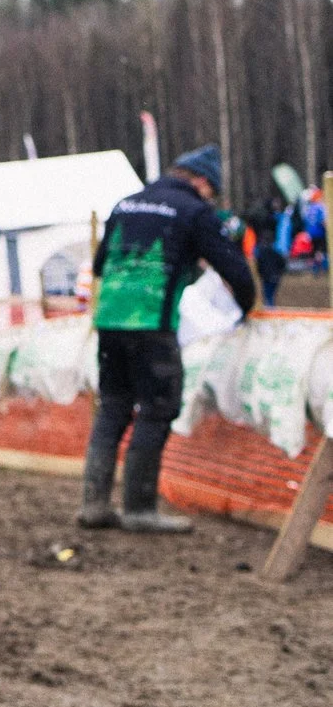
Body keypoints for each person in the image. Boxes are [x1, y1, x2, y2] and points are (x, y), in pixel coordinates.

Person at [81, 145, 256, 533]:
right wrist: (246, 309)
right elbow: (234, 268)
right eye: (212, 189)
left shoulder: (125, 204)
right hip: (152, 322)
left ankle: (93, 504)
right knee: (158, 408)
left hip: (109, 319)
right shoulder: (194, 210)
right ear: (201, 181)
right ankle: (139, 508)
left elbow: (99, 265)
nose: (210, 196)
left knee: (112, 406)